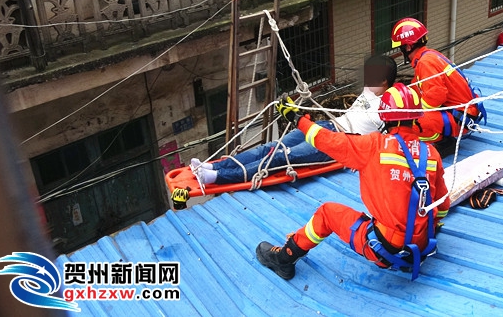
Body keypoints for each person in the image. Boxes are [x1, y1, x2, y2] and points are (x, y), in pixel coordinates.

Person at [256, 83, 450, 281]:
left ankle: (284, 258)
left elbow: (326, 140)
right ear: (415, 117)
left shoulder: (374, 145)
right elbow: (443, 205)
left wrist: (298, 120)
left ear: (385, 117)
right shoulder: (431, 153)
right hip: (422, 246)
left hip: (387, 250)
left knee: (327, 213)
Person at [190, 54, 397, 185]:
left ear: (384, 80)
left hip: (339, 143)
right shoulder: (370, 90)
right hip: (326, 126)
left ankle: (215, 178)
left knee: (282, 156)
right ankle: (214, 167)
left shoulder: (389, 107)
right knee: (270, 147)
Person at [390, 18, 486, 154]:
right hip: (465, 113)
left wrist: (412, 110)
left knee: (412, 122)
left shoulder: (424, 63)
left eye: (401, 48)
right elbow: (418, 87)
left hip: (461, 119)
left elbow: (437, 95)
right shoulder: (429, 56)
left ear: (408, 46)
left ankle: (443, 143)